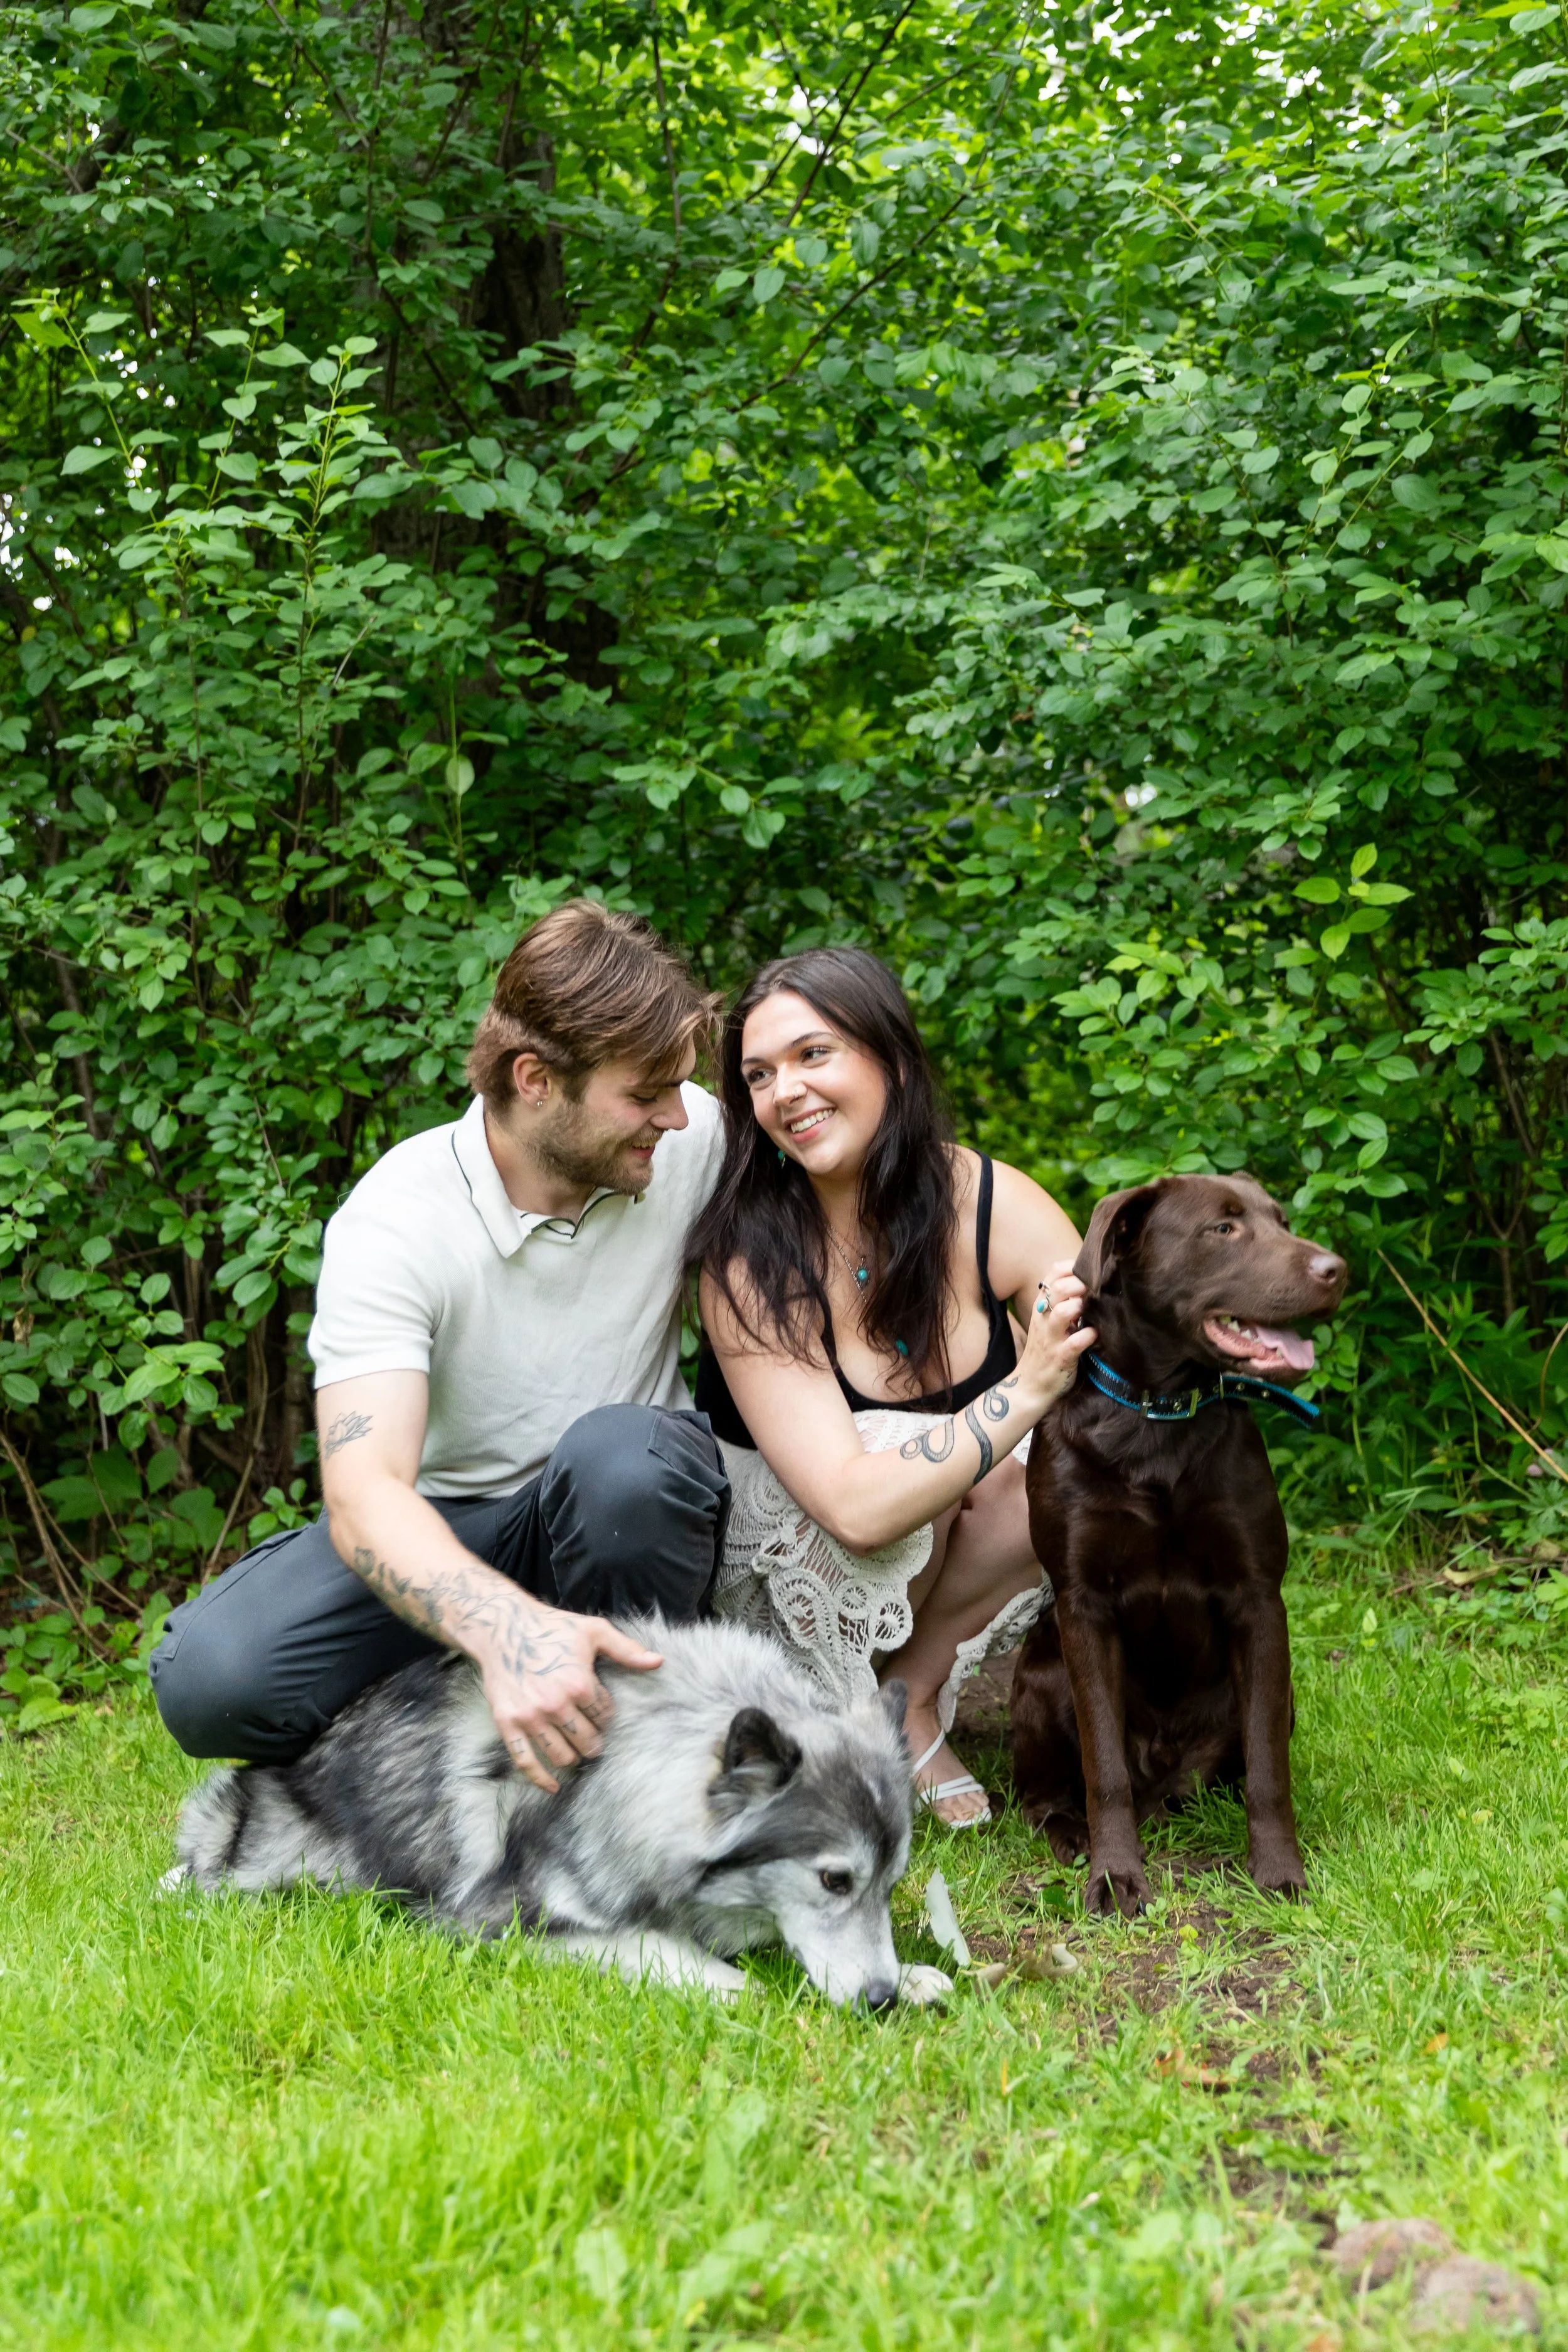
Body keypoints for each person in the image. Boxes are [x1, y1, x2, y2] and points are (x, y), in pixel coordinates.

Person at [149, 901, 729, 1793]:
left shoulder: (693, 1142)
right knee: (212, 1675)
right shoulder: (398, 1220)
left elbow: (876, 1169)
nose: (677, 1118)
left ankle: (639, 1761)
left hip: (625, 1511)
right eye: (645, 1094)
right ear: (535, 1078)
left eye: (677, 1090)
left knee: (627, 1461)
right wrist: (505, 1629)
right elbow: (364, 1488)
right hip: (456, 1524)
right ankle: (478, 1691)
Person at [691, 949, 1094, 1828]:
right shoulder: (746, 1258)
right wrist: (1023, 1392)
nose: (784, 1091)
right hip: (791, 1556)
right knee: (925, 1461)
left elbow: (1109, 1367)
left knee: (1067, 1463)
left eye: (813, 1054)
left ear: (895, 1061)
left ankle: (906, 1696)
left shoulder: (988, 1200)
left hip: (924, 1535)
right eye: (758, 1076)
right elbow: (856, 1506)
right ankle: (837, 1706)